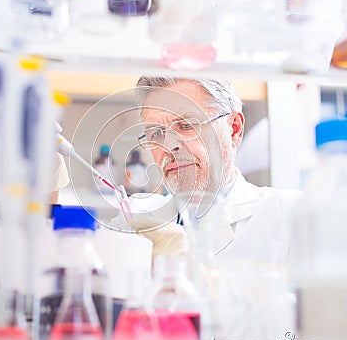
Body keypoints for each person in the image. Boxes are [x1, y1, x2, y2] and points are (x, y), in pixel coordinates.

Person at [129, 76, 301, 264]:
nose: (169, 146)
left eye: (186, 125)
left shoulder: (291, 216)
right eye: (156, 133)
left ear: (234, 129)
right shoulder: (136, 221)